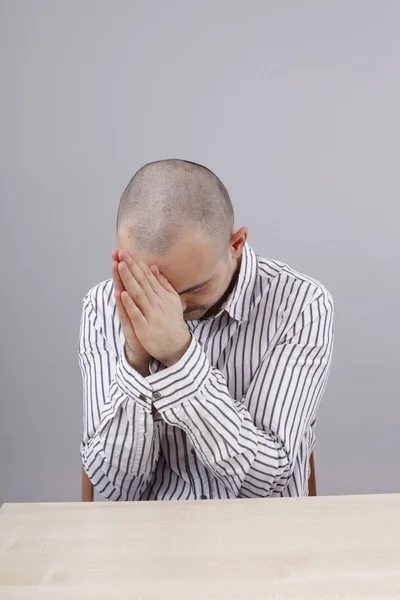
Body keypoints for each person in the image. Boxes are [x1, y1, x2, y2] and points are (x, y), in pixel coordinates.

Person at [78, 159, 334, 501]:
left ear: (236, 243)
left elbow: (267, 482)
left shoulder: (301, 304)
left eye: (192, 289)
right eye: (152, 287)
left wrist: (180, 357)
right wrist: (136, 363)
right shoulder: (102, 306)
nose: (173, 309)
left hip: (260, 541)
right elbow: (113, 487)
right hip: (147, 542)